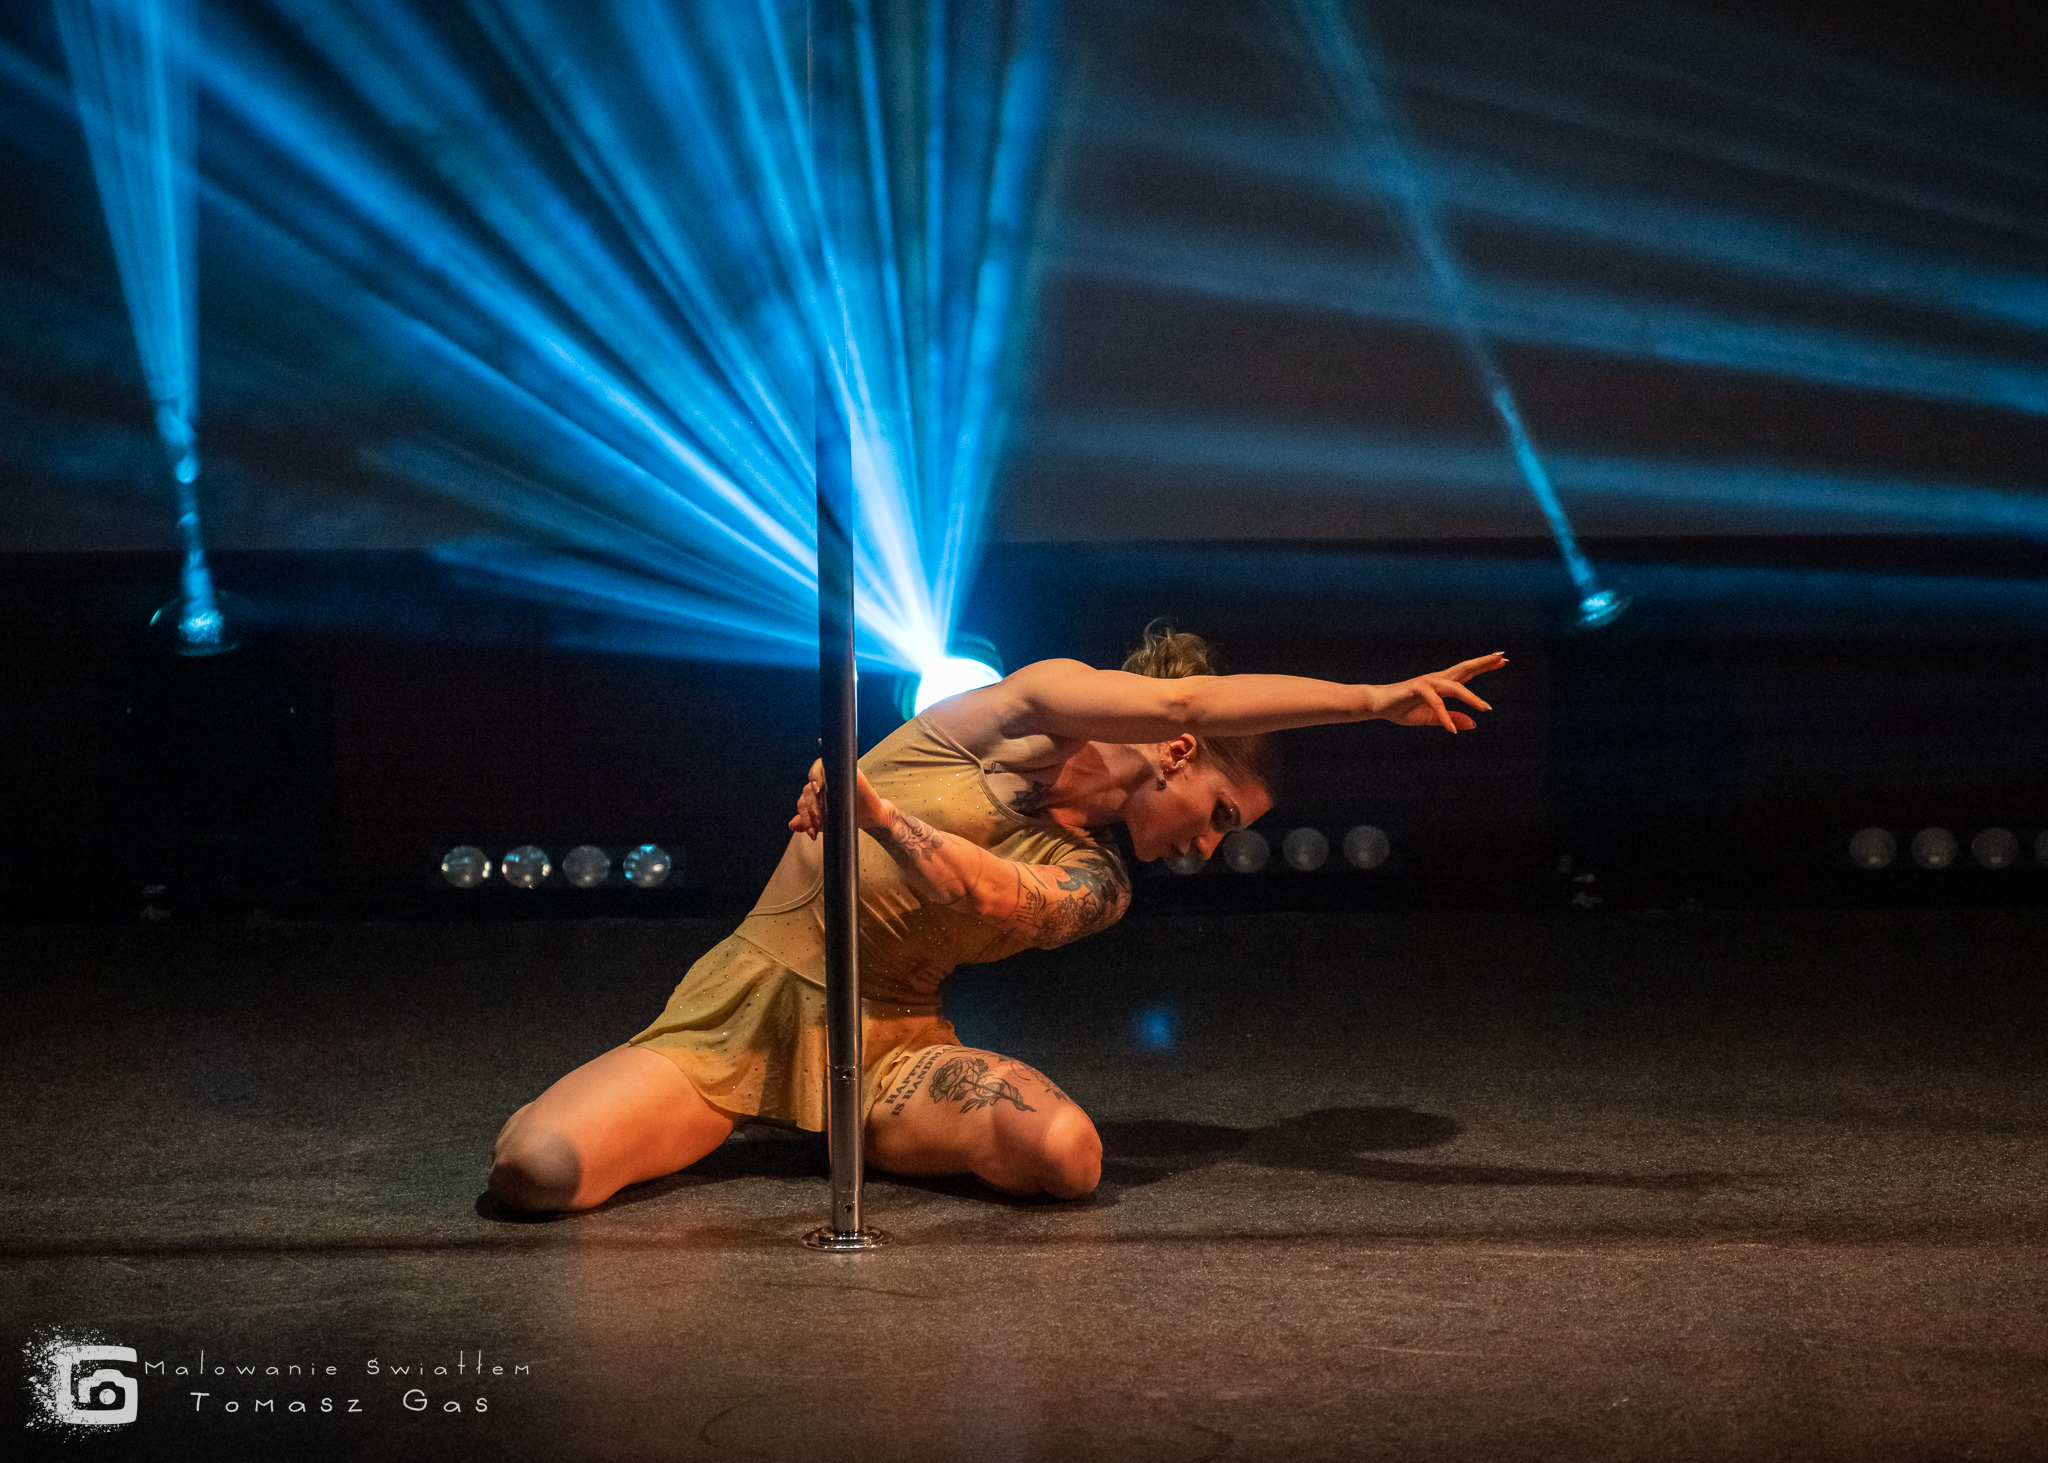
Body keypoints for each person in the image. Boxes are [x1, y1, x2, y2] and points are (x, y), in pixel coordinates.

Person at [487, 626, 1505, 1212]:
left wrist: (877, 817)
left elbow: (986, 891)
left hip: (888, 1048)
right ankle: (621, 1101)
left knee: (1066, 1155)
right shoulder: (1023, 713)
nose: (1209, 846)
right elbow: (1190, 698)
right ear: (1180, 755)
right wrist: (1372, 699)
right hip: (746, 1006)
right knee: (537, 1171)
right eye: (1221, 817)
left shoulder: (1099, 880)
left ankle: (847, 1121)